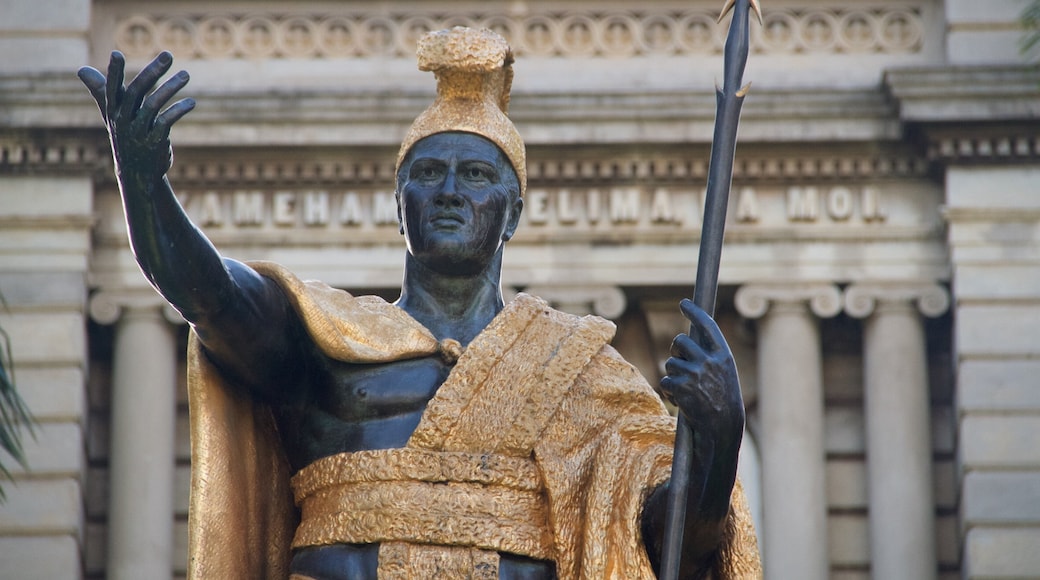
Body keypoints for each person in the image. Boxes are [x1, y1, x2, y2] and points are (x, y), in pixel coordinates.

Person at [79, 27, 759, 580]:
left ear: (512, 214)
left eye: (477, 175)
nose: (452, 191)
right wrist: (145, 186)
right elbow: (210, 295)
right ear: (399, 210)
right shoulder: (328, 338)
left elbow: (674, 541)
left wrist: (718, 434)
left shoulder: (580, 371)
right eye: (428, 175)